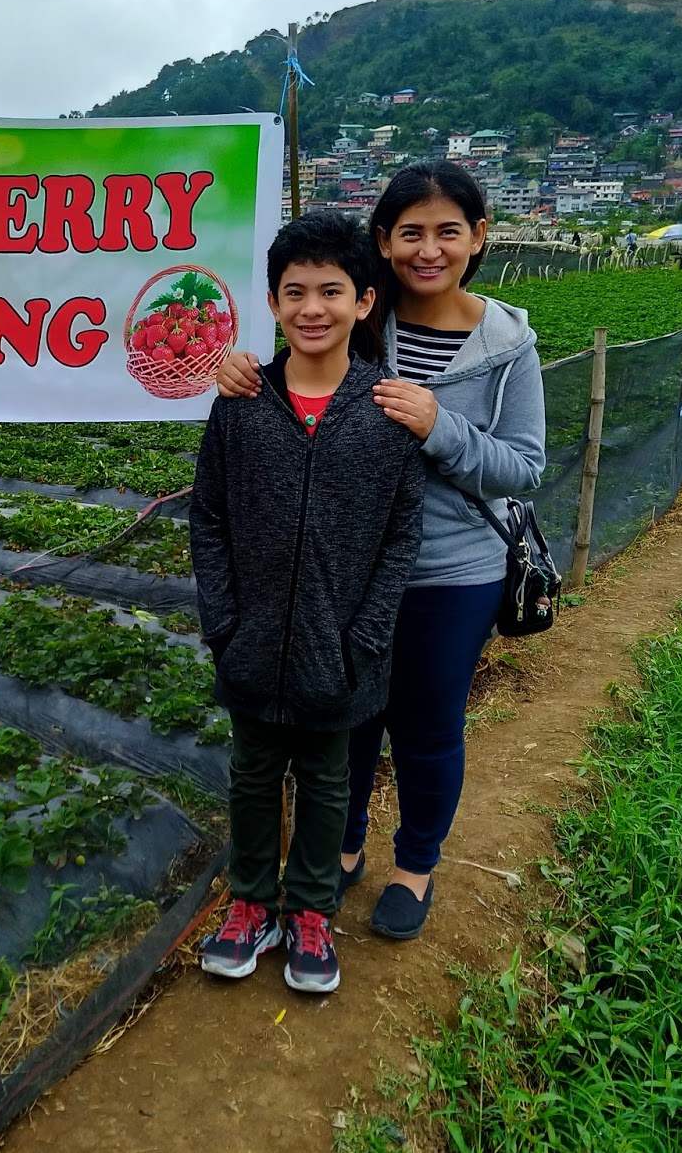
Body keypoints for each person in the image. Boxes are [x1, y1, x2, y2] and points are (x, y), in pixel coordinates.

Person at [212, 161, 547, 940]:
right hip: (346, 569)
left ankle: (415, 866)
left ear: (478, 238)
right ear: (384, 245)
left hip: (450, 571)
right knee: (349, 721)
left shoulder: (508, 344)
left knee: (427, 724)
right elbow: (298, 354)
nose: (428, 250)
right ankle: (346, 841)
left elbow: (526, 465)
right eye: (410, 233)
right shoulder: (364, 313)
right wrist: (235, 367)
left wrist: (440, 425)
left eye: (447, 232)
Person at [192, 211, 424, 991]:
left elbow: (400, 537)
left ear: (364, 301)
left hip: (342, 647)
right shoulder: (242, 401)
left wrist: (364, 639)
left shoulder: (386, 412)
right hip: (251, 638)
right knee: (252, 774)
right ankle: (252, 901)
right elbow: (210, 516)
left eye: (332, 290)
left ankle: (312, 909)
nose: (312, 307)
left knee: (329, 780)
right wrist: (223, 621)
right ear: (273, 302)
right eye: (295, 292)